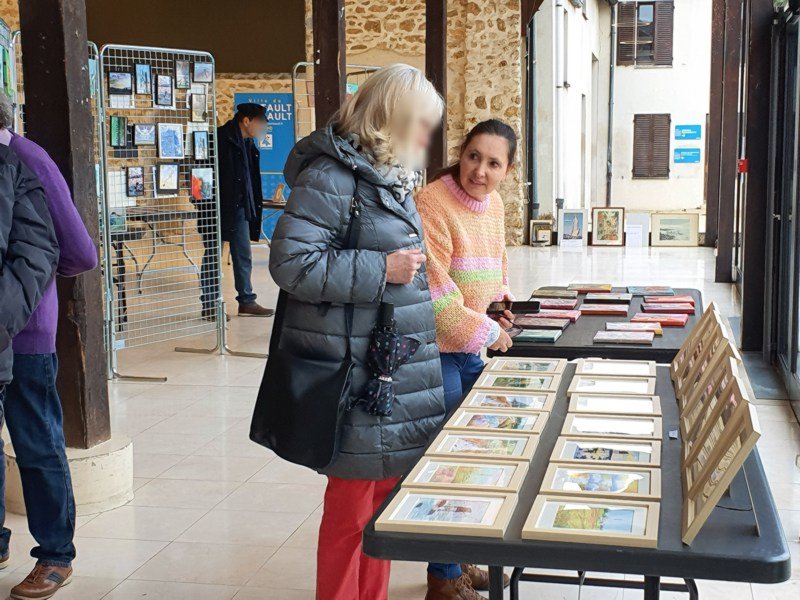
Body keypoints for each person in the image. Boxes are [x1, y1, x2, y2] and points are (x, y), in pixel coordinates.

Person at [269, 64, 446, 600]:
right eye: (419, 124)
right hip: (358, 378)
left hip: (392, 373)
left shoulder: (389, 176)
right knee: (350, 516)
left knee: (382, 513)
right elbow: (291, 264)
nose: (425, 138)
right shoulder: (332, 176)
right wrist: (380, 270)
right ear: (389, 119)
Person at [0, 94, 98, 600]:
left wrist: (27, 285)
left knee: (37, 444)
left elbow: (81, 252)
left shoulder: (29, 158)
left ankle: (56, 555)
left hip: (25, 334)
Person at [416, 119, 518, 600]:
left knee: (480, 453)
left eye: (493, 163)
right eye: (473, 156)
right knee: (448, 461)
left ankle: (459, 556)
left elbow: (495, 265)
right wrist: (490, 331)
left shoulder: (494, 203)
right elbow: (436, 300)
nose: (480, 170)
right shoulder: (432, 203)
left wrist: (502, 303)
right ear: (461, 153)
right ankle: (442, 575)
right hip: (436, 353)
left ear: (508, 170)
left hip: (470, 345)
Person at [210, 102, 274, 318]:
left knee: (243, 254)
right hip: (216, 207)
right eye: (260, 123)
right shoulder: (219, 139)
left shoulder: (249, 144)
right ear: (246, 121)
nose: (262, 129)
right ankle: (210, 304)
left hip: (240, 206)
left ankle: (246, 301)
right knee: (212, 254)